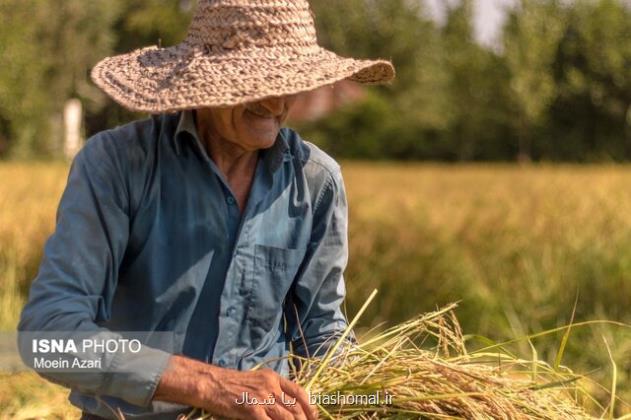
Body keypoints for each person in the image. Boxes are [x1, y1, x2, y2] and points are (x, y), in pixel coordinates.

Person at [18, 1, 394, 419]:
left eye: (291, 81)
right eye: (258, 81)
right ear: (205, 83)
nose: (276, 101)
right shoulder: (120, 165)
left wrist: (374, 397)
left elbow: (321, 335)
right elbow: (48, 338)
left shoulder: (315, 182)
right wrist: (206, 385)